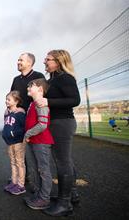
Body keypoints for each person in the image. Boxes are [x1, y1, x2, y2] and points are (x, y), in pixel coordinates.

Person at [35, 50, 81, 216]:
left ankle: (64, 203)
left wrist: (48, 101)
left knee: (62, 162)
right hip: (55, 123)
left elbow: (75, 100)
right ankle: (72, 194)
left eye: (48, 59)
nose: (44, 62)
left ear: (59, 61)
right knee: (65, 160)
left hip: (63, 123)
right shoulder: (51, 80)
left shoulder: (65, 78)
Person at [10, 52, 45, 192]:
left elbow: (42, 96)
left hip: (33, 118)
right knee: (18, 151)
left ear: (30, 63)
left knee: (35, 151)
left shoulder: (38, 76)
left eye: (21, 60)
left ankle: (39, 186)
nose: (18, 62)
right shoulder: (15, 79)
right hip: (19, 119)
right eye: (18, 59)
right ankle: (21, 178)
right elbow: (12, 97)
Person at [23, 78, 54, 210]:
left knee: (44, 171)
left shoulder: (41, 104)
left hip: (41, 142)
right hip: (34, 142)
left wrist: (28, 134)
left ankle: (44, 199)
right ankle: (40, 194)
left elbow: (42, 124)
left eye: (32, 85)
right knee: (35, 169)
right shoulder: (32, 103)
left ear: (40, 89)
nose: (28, 87)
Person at [2, 91, 27, 195]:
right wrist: (5, 134)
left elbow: (23, 128)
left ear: (16, 101)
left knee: (19, 163)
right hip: (9, 142)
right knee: (12, 162)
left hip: (18, 142)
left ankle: (21, 185)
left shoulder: (20, 113)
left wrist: (13, 133)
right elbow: (6, 126)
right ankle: (14, 182)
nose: (6, 101)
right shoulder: (7, 113)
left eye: (9, 100)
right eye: (6, 99)